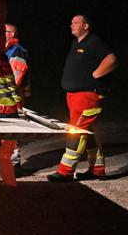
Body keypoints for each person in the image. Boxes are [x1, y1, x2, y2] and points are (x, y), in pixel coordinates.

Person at [47, 15, 118, 182]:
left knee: (76, 132)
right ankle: (97, 169)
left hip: (87, 96)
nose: (72, 25)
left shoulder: (93, 42)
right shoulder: (76, 44)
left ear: (86, 26)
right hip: (74, 96)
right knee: (88, 132)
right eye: (71, 22)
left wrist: (96, 74)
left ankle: (65, 171)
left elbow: (112, 59)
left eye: (76, 23)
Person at [0, 23, 30, 173]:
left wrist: (6, 92)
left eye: (4, 31)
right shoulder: (7, 49)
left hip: (12, 97)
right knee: (5, 131)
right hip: (6, 95)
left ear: (12, 34)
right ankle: (7, 161)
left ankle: (12, 165)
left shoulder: (17, 50)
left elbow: (17, 75)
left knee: (10, 130)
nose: (1, 33)